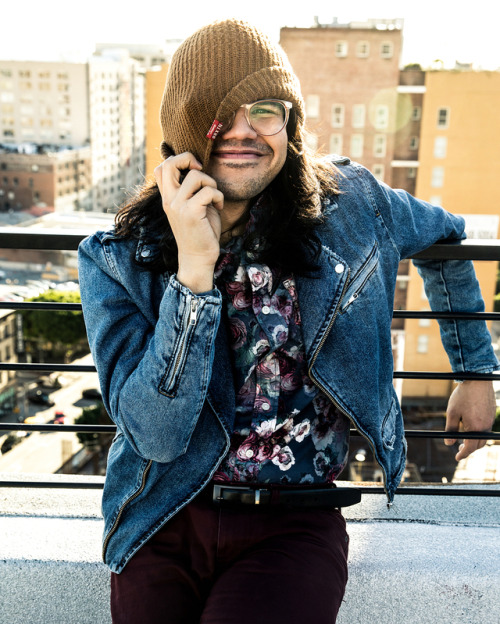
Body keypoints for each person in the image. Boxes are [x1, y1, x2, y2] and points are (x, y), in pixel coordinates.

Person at [78, 19, 499, 624]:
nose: (246, 131)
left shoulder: (353, 206)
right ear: (185, 126)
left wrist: (476, 371)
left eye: (267, 109)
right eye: (223, 114)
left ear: (290, 123)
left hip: (295, 521)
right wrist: (194, 273)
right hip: (162, 513)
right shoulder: (119, 259)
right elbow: (159, 436)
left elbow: (445, 237)